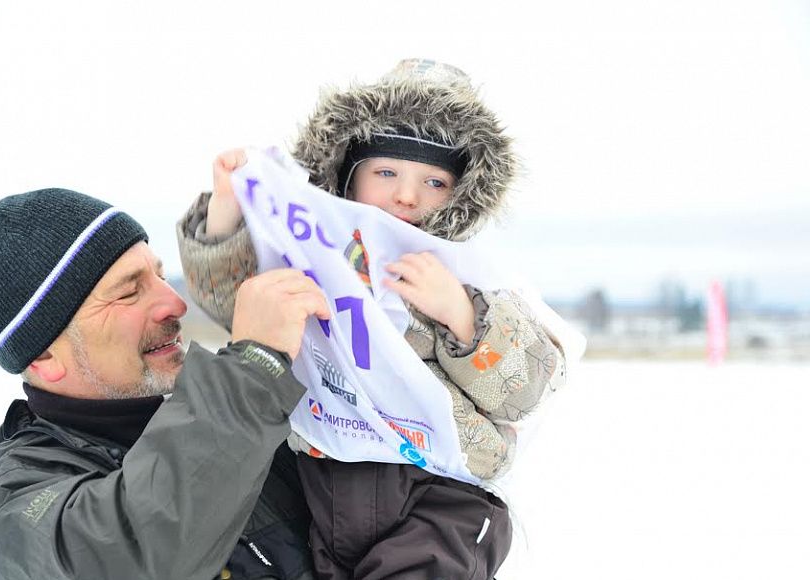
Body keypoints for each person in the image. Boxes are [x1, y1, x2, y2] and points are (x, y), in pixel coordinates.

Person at [177, 59, 571, 579]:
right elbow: (237, 300)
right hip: (324, 480)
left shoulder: (468, 277)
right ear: (347, 174)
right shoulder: (317, 257)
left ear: (463, 192)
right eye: (386, 172)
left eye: (434, 181)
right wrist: (229, 207)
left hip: (440, 496)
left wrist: (463, 317)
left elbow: (528, 388)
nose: (407, 195)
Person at [0, 187, 330, 580]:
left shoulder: (242, 421)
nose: (175, 303)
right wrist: (254, 365)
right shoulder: (6, 518)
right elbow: (130, 555)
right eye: (130, 291)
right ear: (45, 358)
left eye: (161, 277)